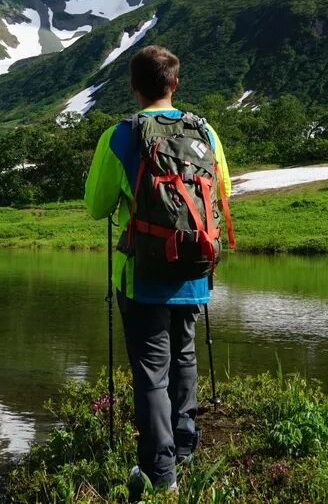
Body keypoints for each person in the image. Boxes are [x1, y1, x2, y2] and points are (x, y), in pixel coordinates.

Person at [84, 45, 233, 498]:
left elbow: (96, 206)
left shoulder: (121, 135)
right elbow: (223, 188)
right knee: (183, 354)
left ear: (134, 86)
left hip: (141, 274)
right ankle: (184, 447)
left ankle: (158, 472)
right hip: (193, 267)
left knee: (151, 371)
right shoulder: (204, 131)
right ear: (175, 83)